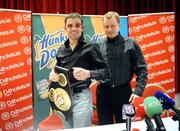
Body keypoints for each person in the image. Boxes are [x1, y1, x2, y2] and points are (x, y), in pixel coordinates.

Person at [49, 13, 108, 128]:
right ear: (65, 28)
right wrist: (53, 73)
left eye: (77, 25)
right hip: (64, 97)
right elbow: (58, 69)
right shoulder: (61, 49)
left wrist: (88, 73)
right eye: (70, 26)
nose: (74, 28)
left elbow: (106, 72)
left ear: (82, 28)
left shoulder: (91, 47)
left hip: (82, 97)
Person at [96, 11, 148, 125]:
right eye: (106, 26)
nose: (109, 29)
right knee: (105, 127)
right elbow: (94, 66)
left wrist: (138, 91)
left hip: (125, 94)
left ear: (119, 25)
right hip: (103, 95)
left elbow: (142, 69)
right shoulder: (98, 44)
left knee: (128, 125)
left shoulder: (131, 43)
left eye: (113, 25)